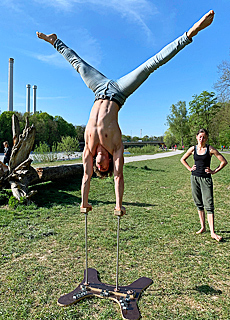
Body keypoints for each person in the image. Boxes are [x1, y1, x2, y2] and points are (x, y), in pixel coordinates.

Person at [37, 10, 215, 212]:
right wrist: (118, 206)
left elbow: (86, 176)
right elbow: (119, 176)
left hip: (98, 88)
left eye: (100, 167)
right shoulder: (116, 147)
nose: (101, 164)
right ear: (110, 161)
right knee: (151, 64)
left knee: (78, 65)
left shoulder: (88, 148)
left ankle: (55, 41)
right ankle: (190, 34)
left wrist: (83, 202)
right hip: (119, 92)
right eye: (105, 167)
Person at [180, 129, 228, 242]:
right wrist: (189, 168)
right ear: (197, 137)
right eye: (200, 136)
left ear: (207, 138)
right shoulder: (193, 149)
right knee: (198, 203)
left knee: (209, 204)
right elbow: (182, 159)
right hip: (194, 178)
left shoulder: (210, 149)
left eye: (204, 137)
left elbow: (224, 161)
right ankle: (203, 227)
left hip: (206, 179)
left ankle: (212, 232)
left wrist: (214, 171)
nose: (202, 139)